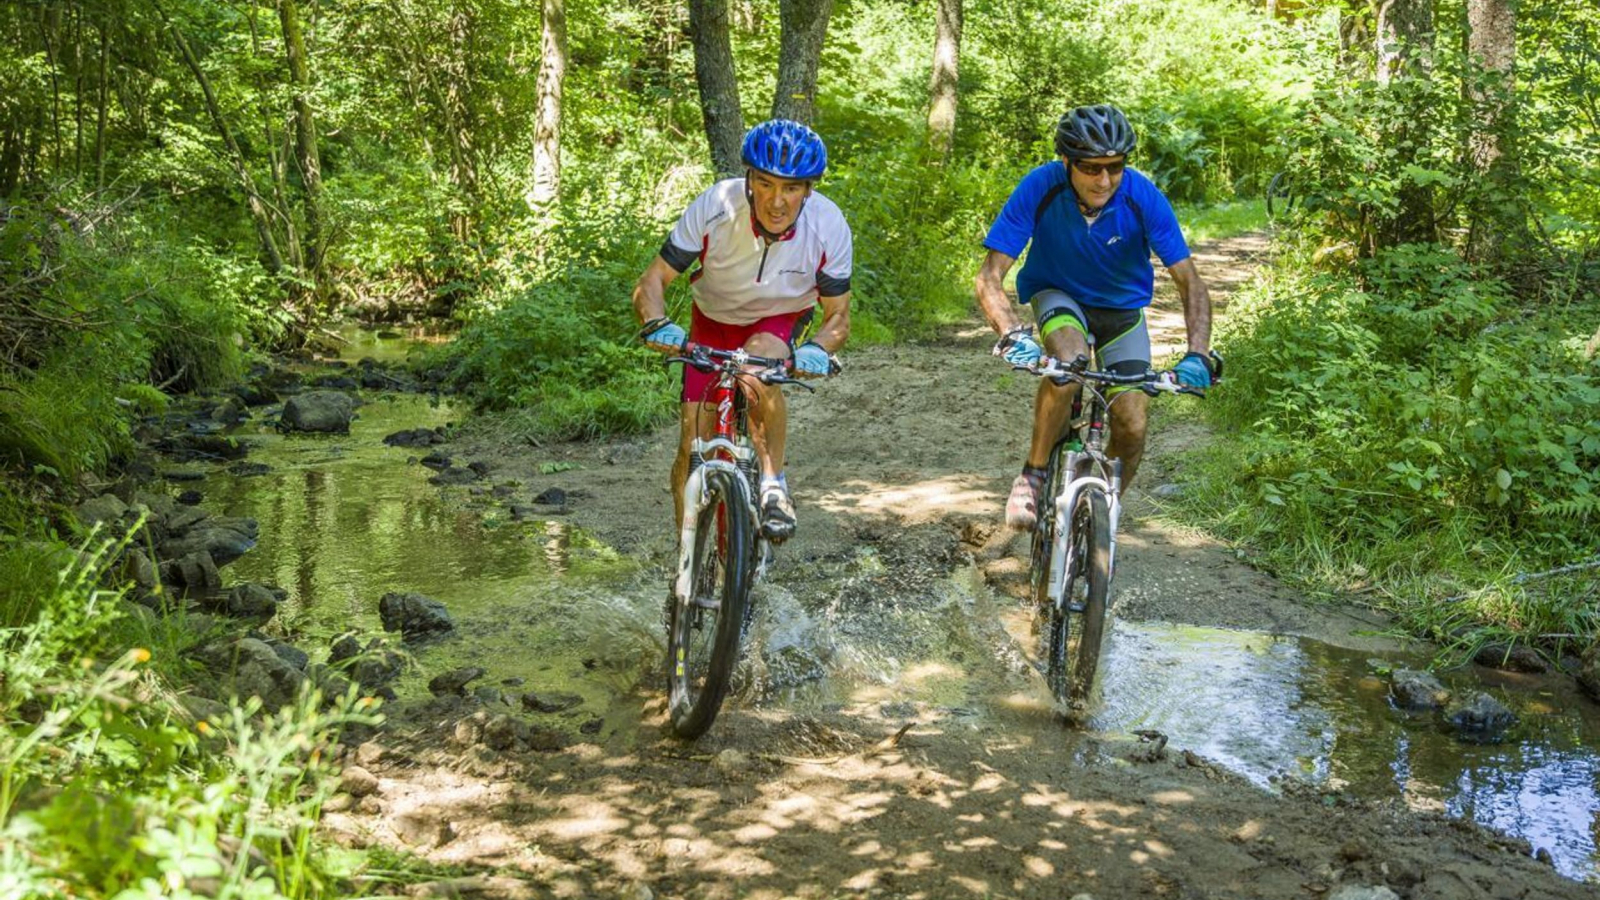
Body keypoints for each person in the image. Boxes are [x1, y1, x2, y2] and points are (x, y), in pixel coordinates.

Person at [973, 104, 1215, 531]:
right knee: (1067, 364)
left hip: (1121, 310)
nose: (1104, 180)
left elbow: (1190, 283)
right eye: (1090, 168)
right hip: (1058, 294)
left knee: (1134, 420)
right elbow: (990, 276)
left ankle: (1101, 510)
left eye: (1115, 167)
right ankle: (1033, 474)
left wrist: (1197, 355)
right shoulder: (1040, 187)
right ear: (1066, 162)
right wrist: (1012, 334)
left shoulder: (1142, 197)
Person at [632, 119, 853, 544]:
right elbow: (652, 281)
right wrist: (657, 322)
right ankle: (687, 559)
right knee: (691, 444)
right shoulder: (717, 204)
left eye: (791, 188)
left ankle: (773, 483)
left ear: (809, 190)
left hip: (780, 317)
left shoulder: (828, 224)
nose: (776, 201)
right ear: (749, 179)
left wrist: (818, 350)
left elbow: (838, 317)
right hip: (712, 319)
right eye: (766, 184)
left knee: (758, 371)